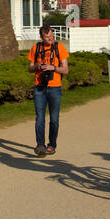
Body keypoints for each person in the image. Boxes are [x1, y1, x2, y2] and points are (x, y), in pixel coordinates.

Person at [28, 25, 69, 156]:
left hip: (55, 87)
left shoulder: (59, 48)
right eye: (47, 37)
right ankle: (40, 145)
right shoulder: (36, 48)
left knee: (54, 119)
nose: (50, 38)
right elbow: (30, 68)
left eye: (51, 36)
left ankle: (52, 145)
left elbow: (66, 69)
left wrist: (53, 68)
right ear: (42, 37)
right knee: (40, 118)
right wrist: (37, 66)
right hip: (39, 87)